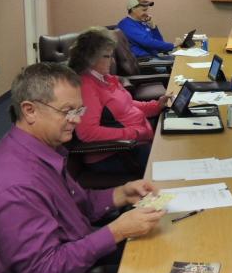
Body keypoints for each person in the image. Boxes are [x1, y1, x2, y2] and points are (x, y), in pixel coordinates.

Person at [0, 62, 165, 273]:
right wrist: (116, 231)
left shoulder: (41, 150)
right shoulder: (13, 185)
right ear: (29, 110)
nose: (78, 120)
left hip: (70, 254)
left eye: (79, 110)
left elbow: (78, 206)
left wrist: (121, 193)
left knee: (160, 251)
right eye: (68, 111)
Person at [69, 28, 171, 174]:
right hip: (118, 153)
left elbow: (126, 106)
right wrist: (134, 133)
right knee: (173, 166)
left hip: (137, 142)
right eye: (107, 56)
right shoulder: (86, 87)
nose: (113, 61)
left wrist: (156, 105)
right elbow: (87, 133)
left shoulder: (105, 78)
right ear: (90, 58)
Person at [117, 0, 182, 58]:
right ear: (133, 9)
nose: (147, 13)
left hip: (154, 57)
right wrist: (173, 45)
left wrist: (153, 28)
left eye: (147, 10)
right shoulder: (127, 25)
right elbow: (147, 42)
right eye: (144, 10)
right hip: (145, 62)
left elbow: (160, 43)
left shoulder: (142, 23)